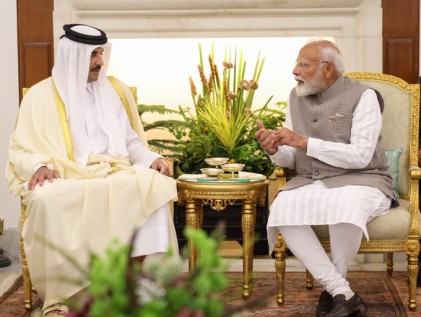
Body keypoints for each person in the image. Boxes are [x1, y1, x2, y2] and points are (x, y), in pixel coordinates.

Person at [5, 24, 179, 316]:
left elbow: (131, 144)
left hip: (114, 173)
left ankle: (129, 285)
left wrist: (151, 159)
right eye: (91, 55)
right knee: (47, 199)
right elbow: (20, 148)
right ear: (72, 57)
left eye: (100, 53)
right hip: (68, 176)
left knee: (157, 187)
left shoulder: (114, 91)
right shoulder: (40, 96)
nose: (99, 61)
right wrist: (40, 165)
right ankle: (71, 294)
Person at [256, 39, 396, 317]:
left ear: (328, 68)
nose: (295, 70)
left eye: (303, 65)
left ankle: (336, 291)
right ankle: (341, 292)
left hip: (364, 179)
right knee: (282, 209)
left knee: (346, 206)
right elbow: (292, 158)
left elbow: (361, 156)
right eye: (297, 63)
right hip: (312, 179)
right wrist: (274, 150)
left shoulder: (364, 96)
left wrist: (304, 142)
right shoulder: (295, 96)